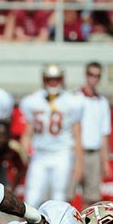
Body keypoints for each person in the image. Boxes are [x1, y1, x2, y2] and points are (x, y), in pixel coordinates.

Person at [20, 63, 84, 208]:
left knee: (59, 199)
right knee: (31, 199)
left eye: (56, 79)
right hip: (40, 154)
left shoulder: (72, 101)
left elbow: (78, 135)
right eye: (49, 79)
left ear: (62, 79)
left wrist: (79, 163)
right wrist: (24, 155)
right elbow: (27, 133)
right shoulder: (33, 100)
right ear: (43, 79)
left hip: (62, 153)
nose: (53, 82)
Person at [74, 61, 112, 208]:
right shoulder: (75, 97)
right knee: (67, 195)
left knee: (91, 198)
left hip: (94, 153)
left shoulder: (102, 101)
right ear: (86, 75)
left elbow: (105, 133)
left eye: (97, 75)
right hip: (76, 152)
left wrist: (105, 161)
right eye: (91, 75)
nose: (94, 79)